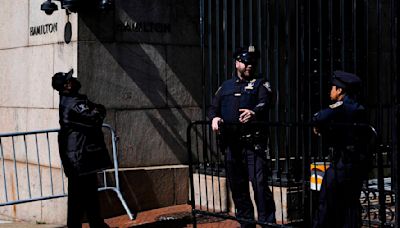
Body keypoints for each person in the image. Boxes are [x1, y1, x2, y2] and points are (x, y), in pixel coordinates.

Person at [208, 46, 276, 228]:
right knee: (238, 188)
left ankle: (268, 223)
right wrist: (214, 118)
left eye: (253, 63)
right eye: (246, 63)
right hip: (232, 145)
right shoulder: (226, 86)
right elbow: (213, 107)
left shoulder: (261, 83)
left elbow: (266, 102)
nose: (250, 66)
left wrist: (254, 112)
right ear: (237, 63)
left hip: (253, 144)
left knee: (260, 186)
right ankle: (246, 223)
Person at [51, 69, 112, 228]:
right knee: (78, 198)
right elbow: (94, 117)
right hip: (79, 156)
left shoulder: (73, 100)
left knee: (89, 194)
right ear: (66, 87)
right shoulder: (74, 104)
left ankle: (96, 223)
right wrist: (99, 109)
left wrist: (94, 108)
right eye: (70, 80)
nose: (75, 80)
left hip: (80, 155)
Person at [312, 71, 370, 228]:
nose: (331, 91)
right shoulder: (359, 108)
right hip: (357, 164)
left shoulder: (342, 107)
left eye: (333, 88)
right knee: (350, 205)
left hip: (342, 164)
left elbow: (319, 117)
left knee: (326, 202)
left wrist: (319, 125)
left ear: (340, 90)